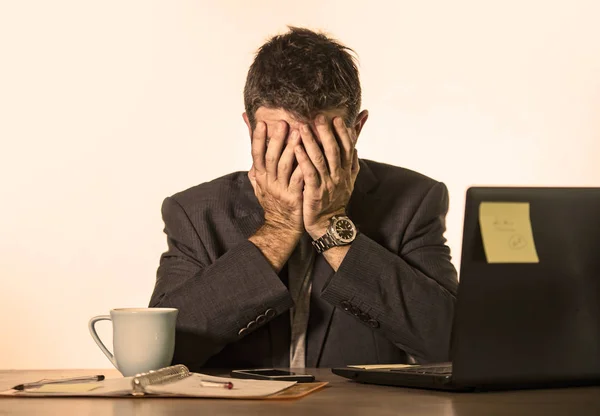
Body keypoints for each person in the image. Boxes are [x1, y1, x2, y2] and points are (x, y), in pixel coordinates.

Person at [149, 27, 458, 370]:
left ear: (356, 129)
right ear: (250, 129)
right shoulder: (196, 212)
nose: (300, 162)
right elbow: (159, 354)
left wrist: (331, 226)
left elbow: (452, 345)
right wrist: (277, 231)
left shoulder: (413, 201)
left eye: (319, 144)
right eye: (280, 143)